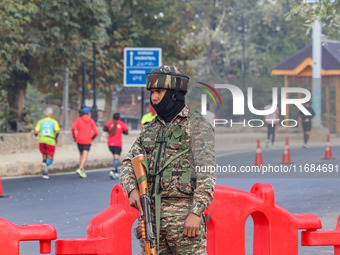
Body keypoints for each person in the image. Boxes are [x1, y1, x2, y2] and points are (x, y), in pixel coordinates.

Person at [120, 65, 216, 254]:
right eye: (152, 92)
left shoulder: (197, 126)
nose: (154, 97)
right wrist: (131, 189)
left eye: (159, 91)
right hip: (151, 219)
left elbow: (207, 174)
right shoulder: (149, 128)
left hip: (185, 220)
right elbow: (128, 163)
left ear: (175, 94)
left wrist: (196, 212)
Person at [71, 107, 98, 178]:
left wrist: (74, 136)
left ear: (82, 113)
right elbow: (96, 132)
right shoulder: (91, 121)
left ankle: (82, 170)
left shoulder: (78, 120)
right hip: (87, 140)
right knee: (85, 155)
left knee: (81, 154)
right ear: (88, 113)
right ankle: (80, 168)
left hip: (79, 139)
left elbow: (73, 128)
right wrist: (92, 138)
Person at [34, 107, 60, 179]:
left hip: (42, 141)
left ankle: (45, 173)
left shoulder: (40, 122)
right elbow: (57, 131)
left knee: (44, 156)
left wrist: (36, 136)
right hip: (50, 141)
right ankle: (45, 165)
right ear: (51, 115)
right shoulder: (54, 122)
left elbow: (36, 132)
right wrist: (56, 138)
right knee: (50, 159)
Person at [103, 112, 128, 179]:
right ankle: (113, 170)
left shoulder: (110, 123)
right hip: (117, 144)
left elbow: (104, 129)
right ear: (119, 117)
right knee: (116, 158)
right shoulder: (122, 124)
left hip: (110, 144)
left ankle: (116, 173)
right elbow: (126, 132)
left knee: (115, 157)